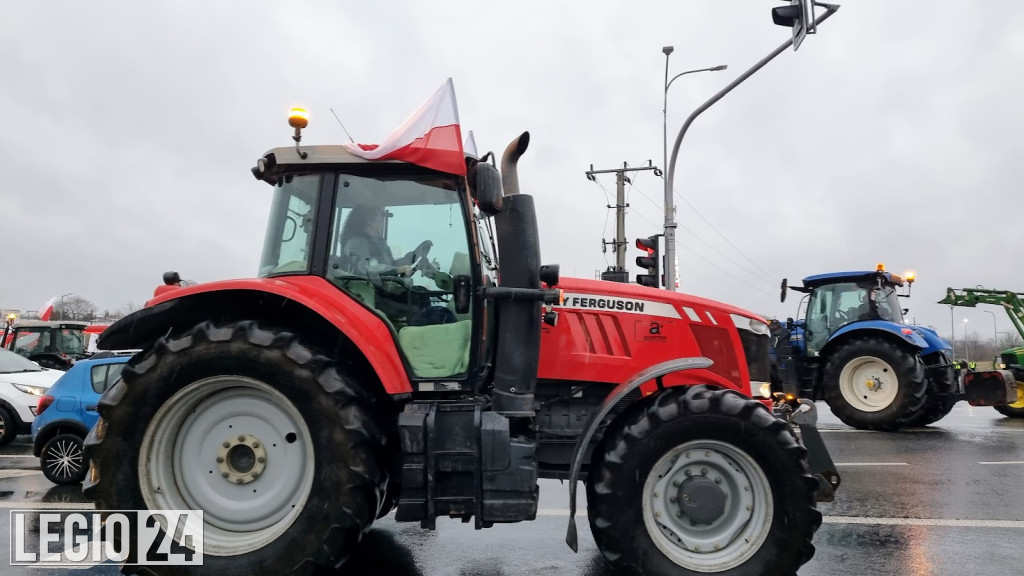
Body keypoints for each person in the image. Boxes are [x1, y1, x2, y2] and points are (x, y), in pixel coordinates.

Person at [338, 205, 416, 277]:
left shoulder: (379, 244)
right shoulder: (356, 243)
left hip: (379, 286)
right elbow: (365, 266)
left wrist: (411, 259)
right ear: (369, 220)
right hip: (361, 288)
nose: (383, 220)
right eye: (381, 216)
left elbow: (390, 264)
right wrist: (397, 270)